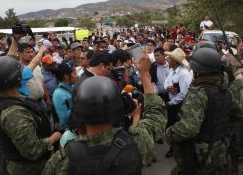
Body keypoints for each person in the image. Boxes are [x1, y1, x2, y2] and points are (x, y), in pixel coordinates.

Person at [42, 52, 167, 175]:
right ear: (118, 109)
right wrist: (144, 74)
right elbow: (156, 115)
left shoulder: (62, 160)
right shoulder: (137, 142)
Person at [165, 47, 243, 175]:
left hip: (200, 156)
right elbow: (238, 114)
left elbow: (188, 129)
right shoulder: (225, 91)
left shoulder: (199, 92)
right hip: (220, 151)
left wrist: (170, 133)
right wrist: (222, 132)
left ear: (198, 72)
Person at [0, 56, 62, 175]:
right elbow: (33, 150)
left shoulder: (4, 99)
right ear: (16, 79)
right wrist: (55, 136)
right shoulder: (13, 112)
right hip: (30, 169)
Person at [164, 48, 192, 158]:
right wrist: (167, 88)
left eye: (169, 58)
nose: (168, 60)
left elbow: (184, 93)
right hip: (172, 103)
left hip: (179, 105)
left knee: (178, 127)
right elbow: (167, 81)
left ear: (174, 61)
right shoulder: (172, 70)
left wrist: (171, 103)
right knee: (170, 126)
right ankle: (173, 148)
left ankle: (179, 149)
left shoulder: (184, 74)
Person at [53, 61, 78, 130]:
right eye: (74, 73)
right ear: (66, 76)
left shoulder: (73, 87)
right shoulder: (58, 94)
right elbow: (64, 119)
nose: (77, 76)